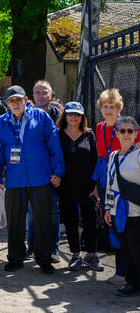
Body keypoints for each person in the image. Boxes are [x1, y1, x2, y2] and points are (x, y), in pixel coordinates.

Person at [0, 85, 65, 275]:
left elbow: (54, 144)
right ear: (6, 104)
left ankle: (44, 258)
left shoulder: (41, 118)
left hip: (40, 177)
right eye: (11, 101)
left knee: (42, 220)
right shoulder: (2, 122)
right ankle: (15, 257)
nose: (15, 104)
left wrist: (58, 171)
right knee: (15, 221)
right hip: (15, 179)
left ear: (25, 100)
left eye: (18, 100)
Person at [93, 89, 140, 285]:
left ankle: (125, 272)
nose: (108, 109)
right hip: (107, 181)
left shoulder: (126, 128)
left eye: (112, 106)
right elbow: (100, 158)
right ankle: (122, 271)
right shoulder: (99, 127)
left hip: (125, 183)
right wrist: (97, 186)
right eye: (105, 106)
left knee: (127, 228)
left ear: (119, 108)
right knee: (112, 224)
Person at [55, 102, 103, 271]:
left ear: (82, 117)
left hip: (87, 186)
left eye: (77, 114)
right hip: (66, 186)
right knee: (70, 222)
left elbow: (95, 161)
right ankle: (75, 255)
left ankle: (91, 255)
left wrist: (96, 185)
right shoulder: (58, 134)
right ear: (65, 116)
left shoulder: (89, 135)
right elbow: (54, 158)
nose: (73, 117)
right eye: (70, 114)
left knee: (90, 222)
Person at [105, 116, 140, 297]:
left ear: (136, 134)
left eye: (130, 131)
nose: (126, 134)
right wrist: (107, 208)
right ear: (117, 134)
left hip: (136, 212)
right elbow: (110, 185)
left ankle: (134, 284)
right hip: (118, 211)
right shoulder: (113, 156)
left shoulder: (139, 155)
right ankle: (132, 282)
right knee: (125, 249)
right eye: (122, 131)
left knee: (136, 250)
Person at [28, 79, 61, 262]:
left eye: (45, 92)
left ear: (51, 96)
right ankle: (32, 245)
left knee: (54, 210)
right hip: (33, 172)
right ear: (33, 96)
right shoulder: (26, 115)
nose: (41, 96)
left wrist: (58, 171)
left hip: (53, 172)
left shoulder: (60, 117)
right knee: (32, 211)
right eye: (38, 92)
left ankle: (53, 248)